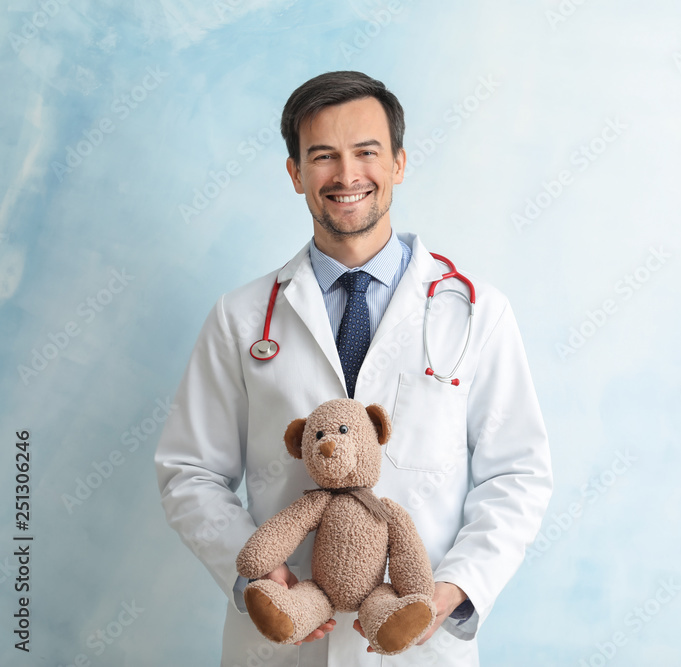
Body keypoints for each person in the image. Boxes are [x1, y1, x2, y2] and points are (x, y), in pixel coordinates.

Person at [154, 71, 553, 667]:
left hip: (417, 642)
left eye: (366, 152)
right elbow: (189, 471)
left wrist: (454, 590)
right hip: (281, 642)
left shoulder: (476, 313)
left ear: (398, 163)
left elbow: (517, 474)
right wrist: (257, 574)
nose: (346, 176)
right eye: (322, 156)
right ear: (295, 174)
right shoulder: (241, 318)